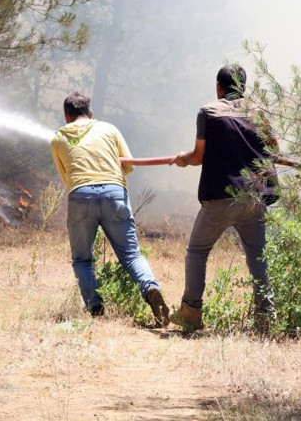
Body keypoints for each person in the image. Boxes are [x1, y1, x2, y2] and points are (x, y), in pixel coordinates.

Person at [150, 64, 277, 332]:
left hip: (221, 196)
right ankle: (266, 317)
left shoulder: (208, 112)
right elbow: (273, 149)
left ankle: (191, 313)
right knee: (258, 257)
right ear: (243, 87)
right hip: (254, 197)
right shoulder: (258, 112)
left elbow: (198, 156)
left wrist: (183, 159)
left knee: (197, 251)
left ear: (218, 86)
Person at [50, 92, 168, 327]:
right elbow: (129, 166)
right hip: (115, 193)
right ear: (90, 113)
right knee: (131, 254)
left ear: (66, 116)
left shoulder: (58, 139)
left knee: (82, 260)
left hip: (81, 195)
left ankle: (95, 307)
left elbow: (66, 177)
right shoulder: (109, 129)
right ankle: (150, 287)